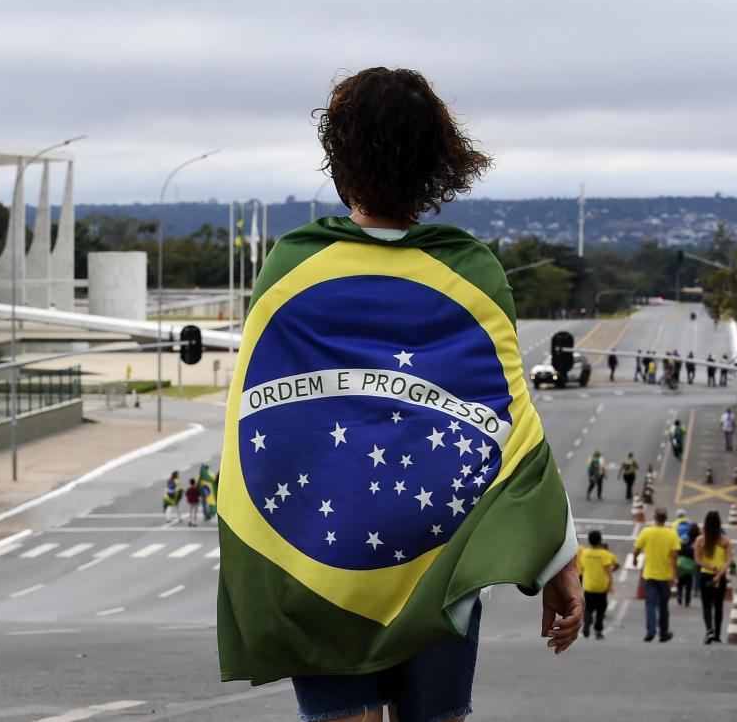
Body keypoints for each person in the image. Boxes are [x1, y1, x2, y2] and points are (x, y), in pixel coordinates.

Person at [217, 67, 582, 722]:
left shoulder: (290, 268)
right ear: (438, 164)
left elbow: (258, 423)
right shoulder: (469, 272)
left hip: (319, 566)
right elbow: (513, 427)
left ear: (338, 160)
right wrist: (558, 558)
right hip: (440, 564)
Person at [633, 507, 681, 642]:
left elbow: (637, 549)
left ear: (655, 518)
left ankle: (651, 630)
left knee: (650, 604)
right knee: (663, 606)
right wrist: (674, 575)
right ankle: (663, 633)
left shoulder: (646, 532)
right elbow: (674, 556)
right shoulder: (672, 534)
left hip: (649, 575)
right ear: (665, 519)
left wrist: (635, 559)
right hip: (665, 576)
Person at [695, 510, 733, 643]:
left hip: (705, 575)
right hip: (720, 577)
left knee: (706, 605)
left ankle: (709, 631)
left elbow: (698, 560)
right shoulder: (725, 541)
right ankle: (717, 634)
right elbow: (728, 560)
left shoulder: (700, 540)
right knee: (718, 606)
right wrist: (719, 574)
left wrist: (711, 568)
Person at [577, 530, 620, 639]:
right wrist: (611, 583)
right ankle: (598, 630)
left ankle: (587, 625)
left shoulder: (585, 553)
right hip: (601, 587)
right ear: (600, 540)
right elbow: (612, 568)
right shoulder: (605, 554)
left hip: (589, 586)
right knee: (601, 609)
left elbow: (581, 566)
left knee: (588, 608)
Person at [676, 522, 700, 607]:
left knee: (680, 581)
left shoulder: (685, 539)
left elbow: (679, 549)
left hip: (682, 563)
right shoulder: (698, 540)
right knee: (689, 583)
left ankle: (679, 594)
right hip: (692, 564)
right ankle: (687, 600)